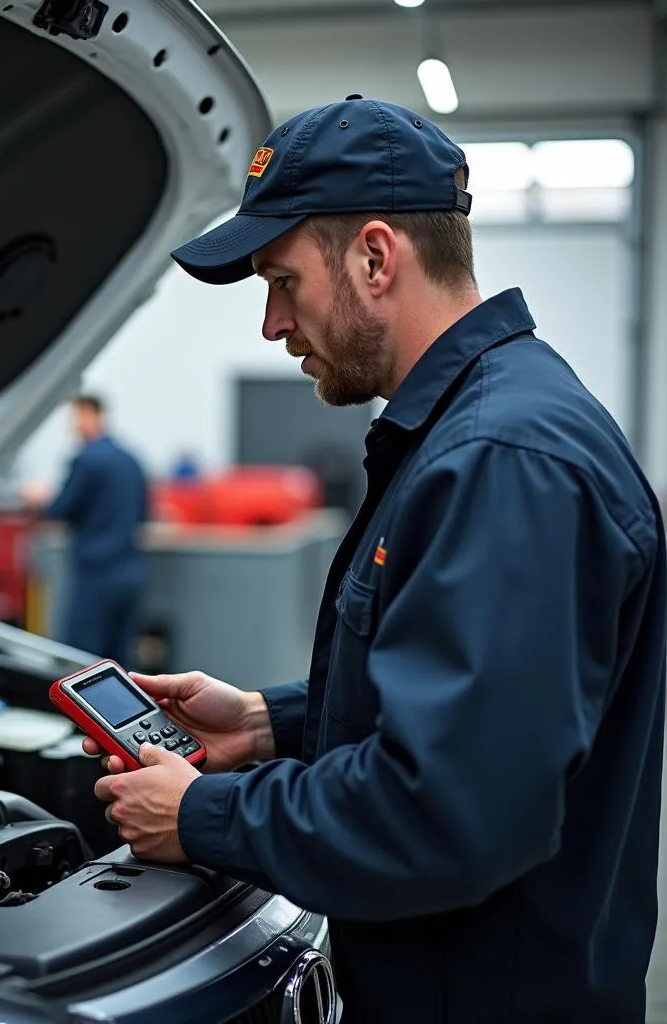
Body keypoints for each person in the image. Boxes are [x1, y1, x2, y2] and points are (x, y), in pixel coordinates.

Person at [85, 96, 667, 1022]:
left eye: (282, 281)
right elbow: (476, 704)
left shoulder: (498, 463)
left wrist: (201, 815)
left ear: (374, 256)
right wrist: (269, 725)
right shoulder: (478, 430)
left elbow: (449, 811)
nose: (273, 325)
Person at [23, 395, 148, 666]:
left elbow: (60, 509)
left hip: (96, 573)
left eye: (74, 417)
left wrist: (39, 499)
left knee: (82, 660)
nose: (72, 425)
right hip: (130, 571)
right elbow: (143, 513)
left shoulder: (87, 460)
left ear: (88, 414)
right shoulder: (132, 460)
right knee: (121, 661)